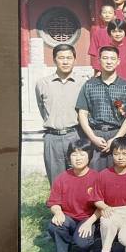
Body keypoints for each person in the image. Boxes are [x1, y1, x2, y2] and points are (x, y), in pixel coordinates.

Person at [76, 46, 126, 171]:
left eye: (112, 59)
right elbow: (82, 114)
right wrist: (93, 138)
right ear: (99, 60)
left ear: (118, 61)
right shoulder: (89, 85)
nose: (109, 62)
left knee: (118, 174)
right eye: (105, 58)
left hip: (118, 135)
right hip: (96, 135)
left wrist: (116, 138)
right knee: (95, 175)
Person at [35, 43, 87, 184]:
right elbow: (42, 109)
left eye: (69, 58)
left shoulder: (83, 83)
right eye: (61, 58)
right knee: (57, 182)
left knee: (79, 180)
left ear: (74, 59)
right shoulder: (42, 84)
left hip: (76, 135)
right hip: (52, 138)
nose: (65, 62)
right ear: (54, 60)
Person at [46, 139, 99, 252]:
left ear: (89, 156)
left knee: (82, 243)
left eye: (82, 154)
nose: (78, 158)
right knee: (54, 226)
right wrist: (58, 212)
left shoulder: (97, 178)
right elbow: (54, 202)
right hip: (69, 218)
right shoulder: (62, 178)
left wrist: (89, 223)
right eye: (74, 154)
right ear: (69, 157)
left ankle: (90, 241)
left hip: (88, 218)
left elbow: (102, 207)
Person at [87, 4, 114, 69]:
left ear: (114, 15)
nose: (107, 15)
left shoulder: (119, 31)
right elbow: (93, 51)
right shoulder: (97, 31)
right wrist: (96, 67)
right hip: (101, 62)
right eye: (104, 12)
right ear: (100, 16)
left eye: (110, 13)